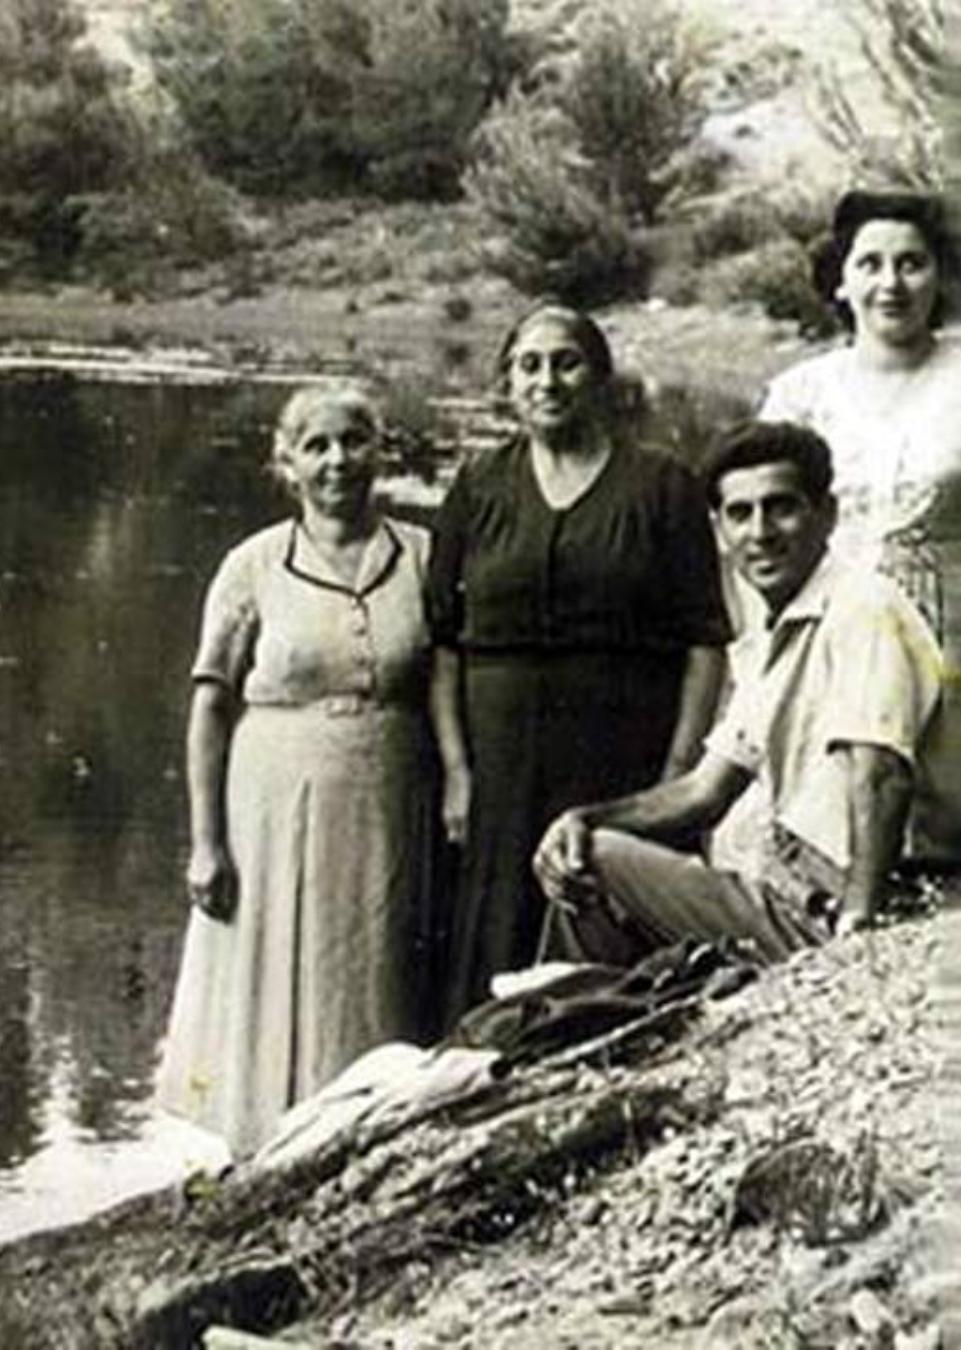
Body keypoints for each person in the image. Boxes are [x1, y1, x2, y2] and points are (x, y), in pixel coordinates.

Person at [530, 421, 942, 964]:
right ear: (719, 529)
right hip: (799, 890)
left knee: (597, 861)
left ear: (828, 514)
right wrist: (584, 818)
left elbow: (881, 773)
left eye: (782, 507)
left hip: (859, 902)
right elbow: (704, 792)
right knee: (584, 848)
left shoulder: (862, 607)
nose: (760, 532)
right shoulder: (780, 628)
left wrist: (858, 936)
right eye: (739, 513)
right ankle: (566, 1019)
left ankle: (557, 1016)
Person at [426, 305, 730, 1023]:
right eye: (528, 365)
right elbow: (442, 644)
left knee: (598, 919)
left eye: (566, 362)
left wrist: (678, 774)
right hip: (500, 768)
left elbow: (706, 642)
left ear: (600, 378)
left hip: (618, 757)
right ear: (507, 382)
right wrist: (458, 773)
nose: (547, 381)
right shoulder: (478, 485)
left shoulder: (661, 486)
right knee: (492, 938)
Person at [157, 384, 437, 1156]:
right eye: (316, 446)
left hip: (392, 793)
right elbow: (210, 708)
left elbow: (450, 679)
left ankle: (366, 1134)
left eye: (354, 441)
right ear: (286, 463)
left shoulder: (423, 554)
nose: (338, 460)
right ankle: (262, 1147)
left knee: (374, 964)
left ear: (381, 452)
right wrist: (205, 842)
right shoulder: (252, 565)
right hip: (271, 803)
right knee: (279, 960)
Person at [757, 189, 961, 634]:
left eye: (911, 263)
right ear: (841, 281)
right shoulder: (797, 397)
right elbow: (759, 535)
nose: (891, 284)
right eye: (870, 264)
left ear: (940, 276)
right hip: (833, 640)